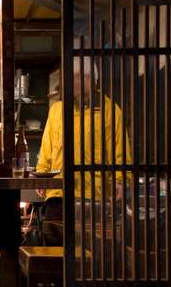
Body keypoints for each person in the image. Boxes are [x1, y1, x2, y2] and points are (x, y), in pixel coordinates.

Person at [36, 57, 131, 245]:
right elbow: (47, 147)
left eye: (82, 77)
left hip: (93, 196)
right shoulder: (57, 110)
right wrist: (42, 176)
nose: (76, 82)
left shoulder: (110, 110)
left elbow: (120, 150)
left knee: (90, 257)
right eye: (72, 77)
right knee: (54, 253)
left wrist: (120, 180)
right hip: (58, 195)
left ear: (93, 79)